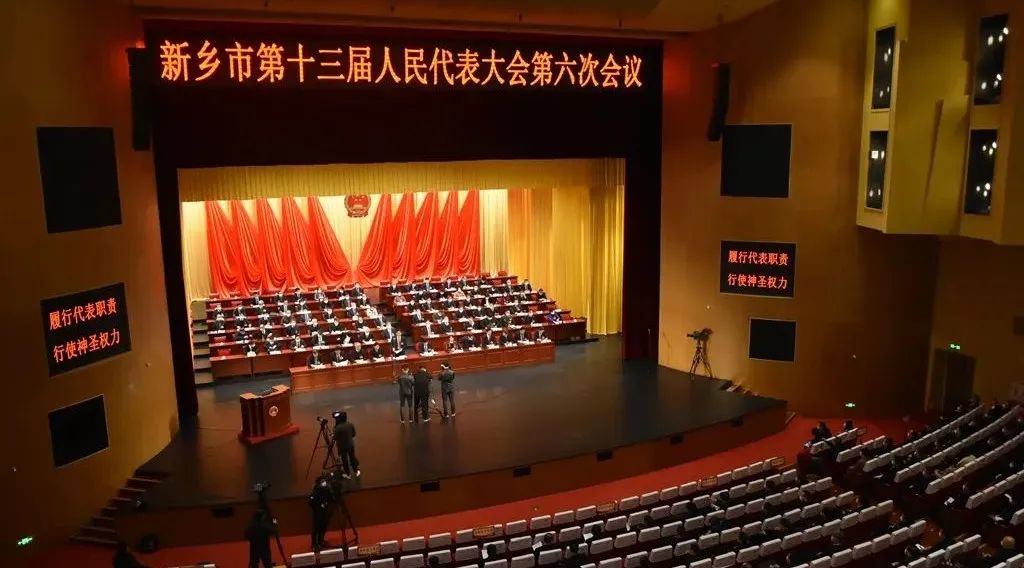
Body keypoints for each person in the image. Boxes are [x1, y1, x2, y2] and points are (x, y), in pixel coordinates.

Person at [332, 411, 360, 478]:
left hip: (342, 446)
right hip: (351, 444)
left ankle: (348, 474)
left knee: (344, 460)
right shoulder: (350, 424)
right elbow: (353, 434)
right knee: (352, 457)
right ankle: (356, 471)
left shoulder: (338, 427)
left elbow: (335, 438)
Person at [308, 475, 333, 550]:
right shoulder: (315, 492)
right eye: (322, 482)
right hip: (317, 513)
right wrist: (319, 506)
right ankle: (314, 544)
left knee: (324, 526)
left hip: (325, 511)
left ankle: (320, 541)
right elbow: (311, 503)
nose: (324, 483)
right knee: (316, 528)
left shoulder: (326, 490)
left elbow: (330, 499)